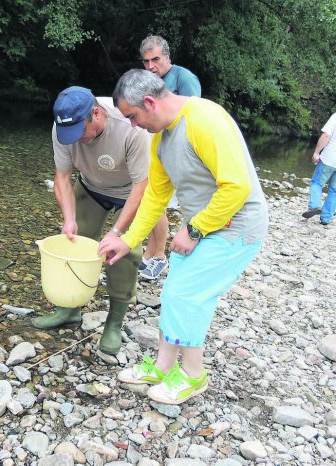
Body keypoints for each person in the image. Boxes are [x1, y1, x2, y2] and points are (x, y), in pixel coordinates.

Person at [98, 70, 268, 405]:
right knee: (175, 289)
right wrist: (127, 240)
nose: (133, 126)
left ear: (149, 102)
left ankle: (193, 375)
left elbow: (237, 186)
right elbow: (155, 200)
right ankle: (163, 367)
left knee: (187, 295)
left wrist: (193, 229)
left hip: (238, 227)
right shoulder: (161, 140)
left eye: (133, 117)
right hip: (206, 225)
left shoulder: (205, 120)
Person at [32, 86, 150, 355]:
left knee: (122, 251)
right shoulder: (63, 126)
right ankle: (69, 308)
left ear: (96, 114)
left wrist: (117, 232)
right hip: (90, 187)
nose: (74, 140)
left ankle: (114, 323)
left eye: (79, 133)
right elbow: (62, 176)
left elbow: (142, 186)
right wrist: (69, 219)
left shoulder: (131, 128)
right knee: (74, 243)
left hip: (129, 192)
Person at [137, 35, 202, 280]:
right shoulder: (146, 82)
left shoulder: (184, 78)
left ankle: (159, 257)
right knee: (150, 200)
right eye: (146, 61)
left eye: (156, 59)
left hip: (177, 153)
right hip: (154, 151)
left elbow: (195, 115)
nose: (151, 66)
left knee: (158, 204)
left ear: (167, 57)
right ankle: (150, 254)